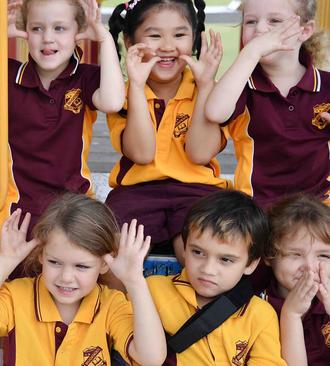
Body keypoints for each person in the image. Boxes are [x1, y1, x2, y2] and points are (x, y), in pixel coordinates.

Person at [0, 0, 126, 278]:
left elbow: (112, 101)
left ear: (79, 31)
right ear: (25, 31)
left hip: (73, 204)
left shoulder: (84, 78)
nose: (48, 38)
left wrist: (104, 37)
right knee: (4, 273)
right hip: (18, 206)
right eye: (37, 28)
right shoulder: (8, 75)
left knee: (97, 262)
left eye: (60, 28)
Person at [0, 193, 166, 365]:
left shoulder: (110, 304)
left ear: (103, 264)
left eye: (81, 266)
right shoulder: (18, 295)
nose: (66, 277)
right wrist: (3, 263)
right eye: (55, 262)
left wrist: (134, 281)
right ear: (41, 255)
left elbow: (152, 359)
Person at [106, 0, 230, 264]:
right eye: (154, 35)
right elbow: (141, 153)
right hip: (136, 192)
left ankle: (194, 307)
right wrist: (137, 86)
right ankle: (120, 306)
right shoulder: (120, 93)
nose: (167, 46)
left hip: (198, 189)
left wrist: (206, 86)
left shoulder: (213, 90)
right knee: (114, 250)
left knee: (202, 247)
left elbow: (200, 153)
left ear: (195, 38)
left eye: (179, 34)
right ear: (129, 42)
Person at [201, 0, 330, 208]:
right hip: (258, 207)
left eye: (275, 20)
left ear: (305, 31)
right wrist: (251, 53)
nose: (260, 29)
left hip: (319, 207)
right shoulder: (240, 83)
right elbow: (215, 112)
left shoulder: (326, 85)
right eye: (250, 22)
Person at [146, 190, 286, 365]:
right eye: (197, 252)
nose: (208, 269)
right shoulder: (152, 291)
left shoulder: (260, 315)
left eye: (225, 259)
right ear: (184, 248)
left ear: (250, 264)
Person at [260, 194, 330, 365]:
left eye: (323, 255)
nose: (309, 267)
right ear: (269, 256)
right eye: (295, 254)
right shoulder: (256, 307)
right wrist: (291, 315)